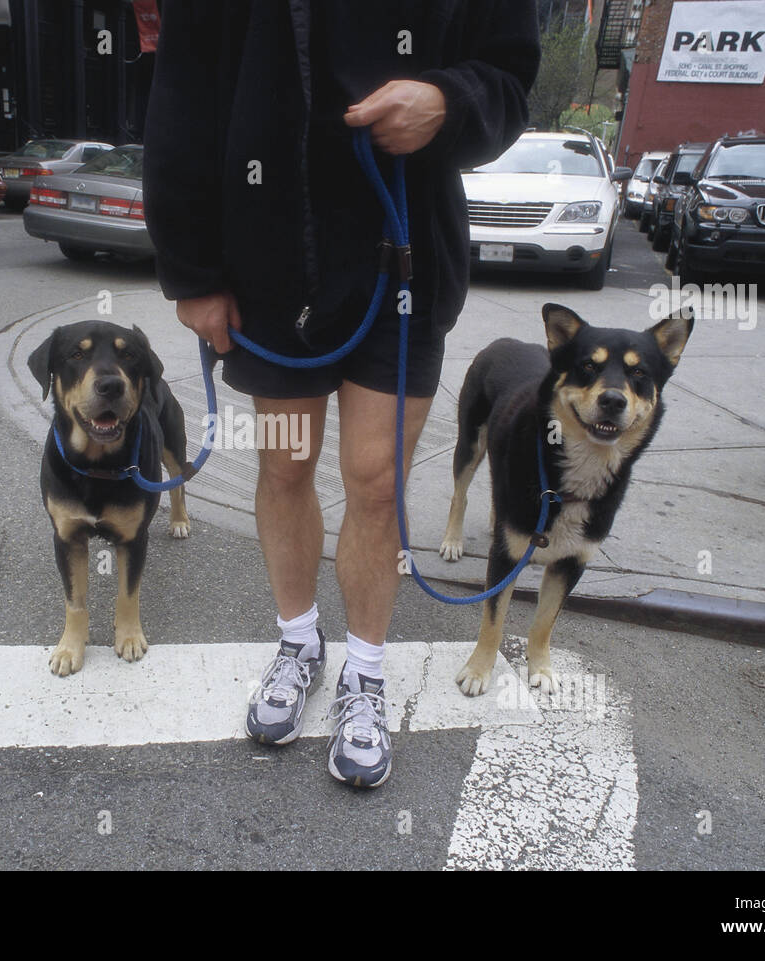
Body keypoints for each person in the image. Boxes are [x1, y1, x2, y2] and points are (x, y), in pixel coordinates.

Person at [143, 1, 540, 787]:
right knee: (286, 466)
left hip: (405, 245)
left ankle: (364, 670)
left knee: (375, 479)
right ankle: (298, 640)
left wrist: (450, 100)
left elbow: (509, 75)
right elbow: (183, 87)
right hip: (269, 252)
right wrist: (191, 268)